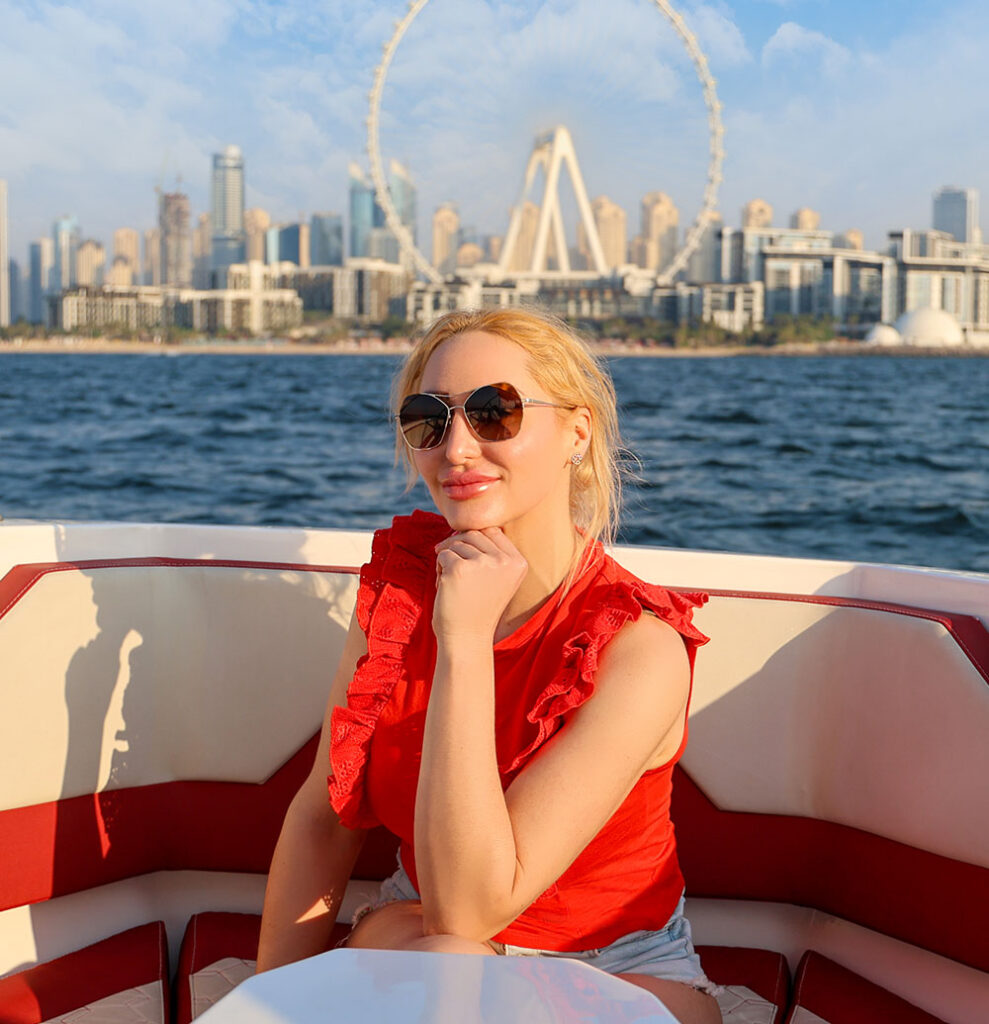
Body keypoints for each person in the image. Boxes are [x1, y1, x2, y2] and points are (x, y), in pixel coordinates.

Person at [257, 308, 721, 1023]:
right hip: (420, 930)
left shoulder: (638, 647)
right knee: (451, 966)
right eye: (428, 420)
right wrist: (271, 1002)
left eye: (494, 412)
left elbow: (473, 907)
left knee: (459, 968)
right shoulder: (398, 595)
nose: (457, 447)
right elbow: (326, 818)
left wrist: (464, 643)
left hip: (620, 964)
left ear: (577, 430)